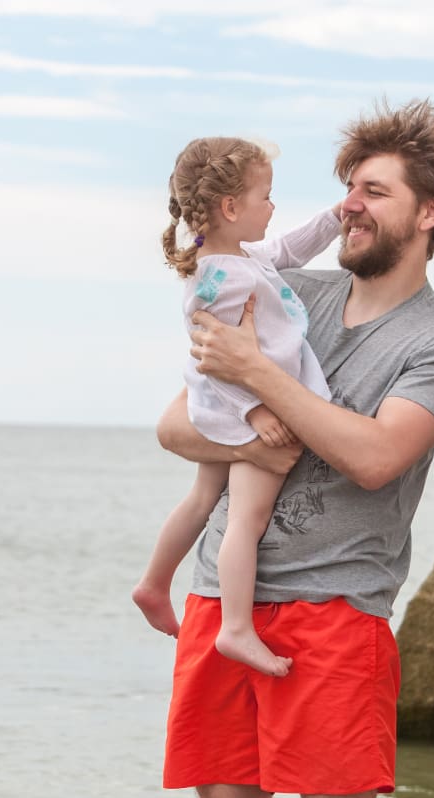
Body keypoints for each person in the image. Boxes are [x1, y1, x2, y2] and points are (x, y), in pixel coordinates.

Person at [153, 99, 434, 798]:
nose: (347, 207)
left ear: (429, 209)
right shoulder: (279, 284)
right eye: (345, 188)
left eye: (371, 192)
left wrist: (263, 382)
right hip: (226, 599)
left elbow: (377, 456)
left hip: (337, 609)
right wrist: (252, 422)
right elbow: (174, 424)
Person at [132, 136, 343, 677]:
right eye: (265, 196)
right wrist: (256, 412)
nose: (273, 207)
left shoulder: (232, 258)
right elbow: (217, 360)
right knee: (245, 521)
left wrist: (336, 217)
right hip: (242, 408)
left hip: (224, 408)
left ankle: (155, 584)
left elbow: (291, 249)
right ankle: (236, 628)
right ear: (231, 207)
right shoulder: (222, 280)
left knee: (205, 495)